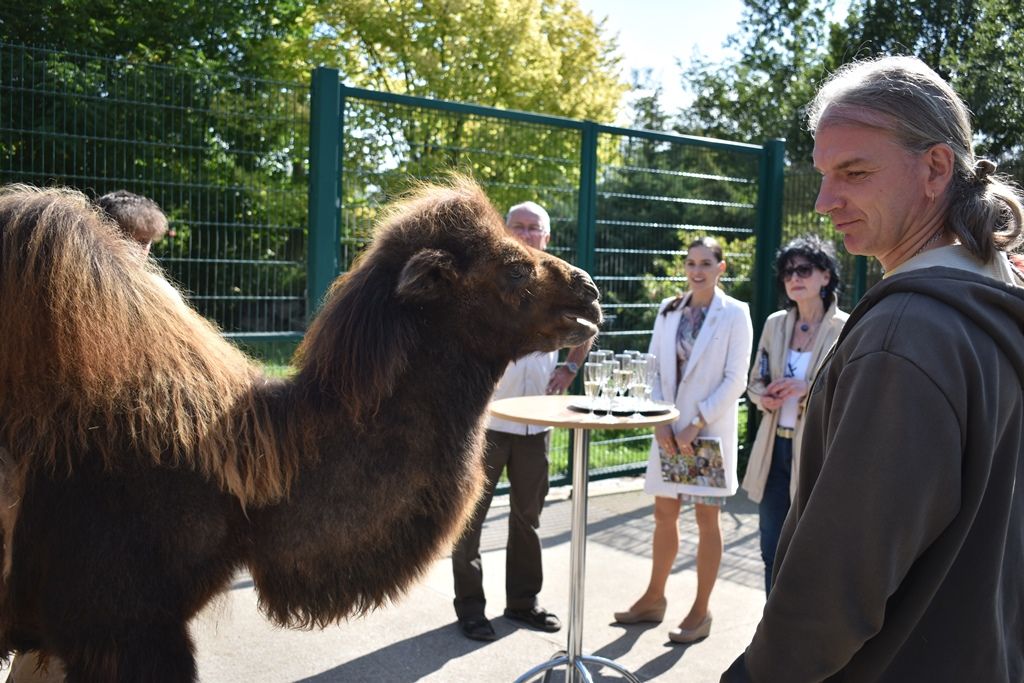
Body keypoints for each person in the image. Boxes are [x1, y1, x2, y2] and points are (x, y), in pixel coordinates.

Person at [723, 56, 1024, 681]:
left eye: (854, 172)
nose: (825, 201)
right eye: (823, 175)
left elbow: (834, 590)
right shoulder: (993, 301)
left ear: (935, 167)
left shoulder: (906, 333)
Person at [5, 189, 176, 683]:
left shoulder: (153, 295)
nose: (141, 255)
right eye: (132, 241)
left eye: (147, 244)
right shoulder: (63, 288)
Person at [451, 201, 591, 641]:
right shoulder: (489, 283)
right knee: (468, 521)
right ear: (505, 231)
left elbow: (590, 321)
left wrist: (570, 368)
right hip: (487, 424)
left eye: (535, 228)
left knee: (527, 519)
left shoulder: (558, 283)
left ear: (547, 237)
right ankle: (470, 609)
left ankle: (523, 603)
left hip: (536, 426)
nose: (527, 234)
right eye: (519, 226)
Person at [613, 236, 753, 644]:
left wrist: (696, 422)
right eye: (691, 263)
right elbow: (653, 368)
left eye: (706, 263)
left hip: (705, 433)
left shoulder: (735, 314)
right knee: (664, 513)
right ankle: (653, 599)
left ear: (721, 268)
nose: (697, 270)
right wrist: (660, 421)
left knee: (707, 518)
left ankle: (700, 610)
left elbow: (736, 380)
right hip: (669, 433)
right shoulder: (668, 309)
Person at [742, 235, 848, 593]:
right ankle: (771, 622)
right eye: (788, 272)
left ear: (825, 275)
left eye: (804, 269)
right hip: (774, 449)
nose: (794, 278)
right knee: (771, 548)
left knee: (812, 550)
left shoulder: (845, 328)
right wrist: (765, 398)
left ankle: (805, 624)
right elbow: (755, 381)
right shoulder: (775, 324)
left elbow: (847, 393)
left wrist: (807, 391)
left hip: (816, 452)